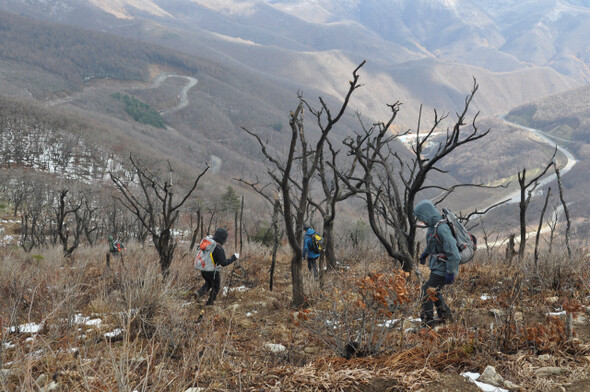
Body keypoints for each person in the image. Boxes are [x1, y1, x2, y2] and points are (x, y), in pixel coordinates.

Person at [414, 200, 460, 328]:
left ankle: (427, 323)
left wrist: (450, 273)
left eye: (421, 217)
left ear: (427, 214)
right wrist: (424, 255)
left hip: (444, 268)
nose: (421, 221)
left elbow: (454, 254)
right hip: (437, 267)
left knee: (427, 291)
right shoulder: (432, 227)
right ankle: (445, 316)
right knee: (435, 291)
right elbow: (432, 244)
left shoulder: (442, 228)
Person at [196, 228, 239, 306]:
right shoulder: (218, 248)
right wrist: (234, 257)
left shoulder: (208, 244)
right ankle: (209, 304)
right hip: (212, 271)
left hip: (203, 269)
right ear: (223, 238)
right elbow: (224, 263)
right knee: (216, 287)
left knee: (209, 283)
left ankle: (199, 294)